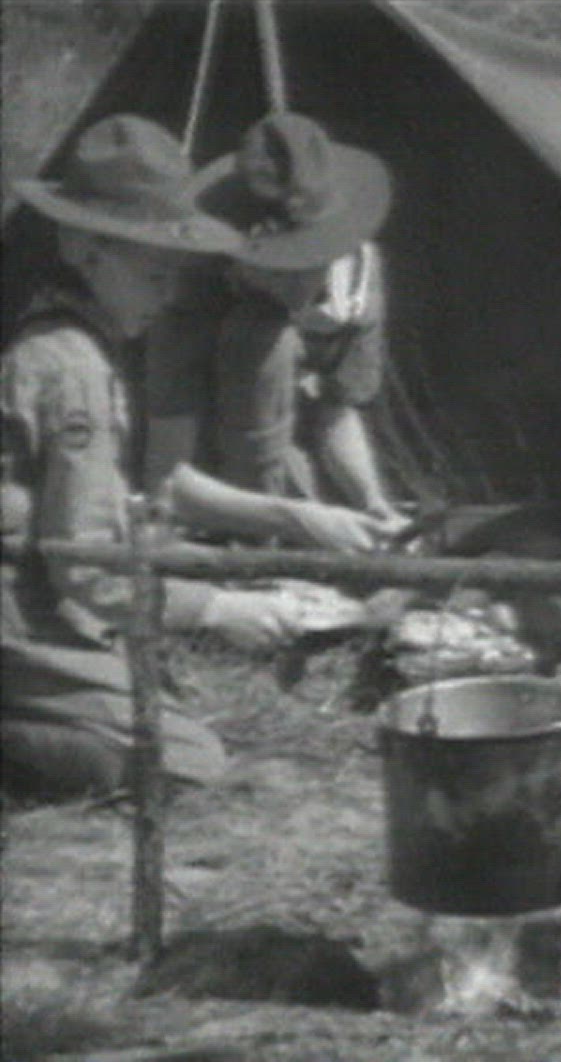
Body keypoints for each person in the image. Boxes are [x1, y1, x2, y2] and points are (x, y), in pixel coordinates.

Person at [0, 115, 342, 798]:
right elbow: (87, 567)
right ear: (83, 249)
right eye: (155, 273)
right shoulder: (72, 368)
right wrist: (216, 609)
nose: (168, 294)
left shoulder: (72, 342)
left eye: (175, 275)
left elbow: (102, 521)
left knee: (160, 698)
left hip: (35, 601)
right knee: (188, 760)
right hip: (15, 617)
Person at [142, 112, 408, 531]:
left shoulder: (358, 284)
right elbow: (168, 475)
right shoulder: (189, 300)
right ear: (244, 260)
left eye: (312, 258)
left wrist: (372, 500)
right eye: (282, 265)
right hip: (211, 482)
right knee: (259, 335)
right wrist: (281, 520)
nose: (298, 279)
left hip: (301, 467)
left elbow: (338, 410)